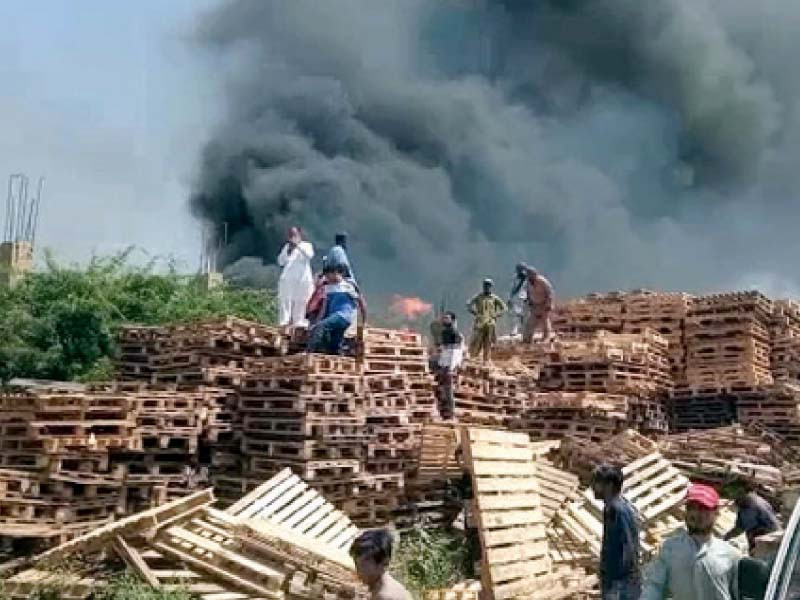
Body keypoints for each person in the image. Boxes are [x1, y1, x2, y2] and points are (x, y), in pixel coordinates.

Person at [641, 484, 741, 600]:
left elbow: (738, 594)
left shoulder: (730, 555)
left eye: (703, 508)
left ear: (716, 512)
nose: (696, 514)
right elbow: (655, 586)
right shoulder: (671, 548)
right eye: (691, 508)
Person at [592, 464, 641, 600]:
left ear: (609, 485)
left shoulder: (616, 509)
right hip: (620, 582)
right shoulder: (618, 506)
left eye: (596, 483)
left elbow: (628, 547)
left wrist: (617, 584)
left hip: (621, 584)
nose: (593, 487)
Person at [308, 264, 366, 355]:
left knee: (321, 327)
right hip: (335, 318)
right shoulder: (327, 287)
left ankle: (309, 352)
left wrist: (363, 320)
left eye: (328, 275)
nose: (327, 278)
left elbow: (361, 302)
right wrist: (317, 321)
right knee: (333, 346)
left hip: (342, 316)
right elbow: (324, 307)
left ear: (336, 273)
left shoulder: (348, 286)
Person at [350, 529, 412, 600]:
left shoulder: (384, 595)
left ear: (383, 562)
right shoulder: (389, 586)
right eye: (356, 565)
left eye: (364, 566)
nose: (359, 572)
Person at [276, 226, 315, 327]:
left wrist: (297, 245)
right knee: (285, 300)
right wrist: (289, 250)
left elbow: (309, 255)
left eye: (294, 234)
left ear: (299, 235)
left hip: (303, 280)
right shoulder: (287, 247)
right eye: (290, 235)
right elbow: (280, 261)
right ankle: (284, 322)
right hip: (288, 279)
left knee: (301, 301)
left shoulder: (306, 245)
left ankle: (298, 323)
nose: (292, 237)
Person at [724, 485, 780, 553]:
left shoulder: (752, 505)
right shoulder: (745, 503)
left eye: (734, 496)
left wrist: (725, 539)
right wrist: (725, 538)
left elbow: (743, 527)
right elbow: (739, 526)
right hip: (760, 540)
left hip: (767, 542)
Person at [467, 279, 507, 363]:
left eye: (488, 285)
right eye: (485, 285)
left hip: (490, 322)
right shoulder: (478, 296)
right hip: (480, 322)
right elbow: (469, 305)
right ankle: (473, 357)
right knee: (477, 340)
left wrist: (496, 315)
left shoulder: (494, 298)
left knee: (488, 342)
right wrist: (475, 313)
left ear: (491, 287)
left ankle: (486, 359)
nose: (486, 287)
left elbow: (504, 308)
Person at [435, 311, 464, 421]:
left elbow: (456, 352)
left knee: (448, 391)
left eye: (447, 318)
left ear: (452, 320)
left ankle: (451, 414)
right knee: (441, 390)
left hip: (449, 368)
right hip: (444, 366)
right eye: (444, 318)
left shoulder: (455, 333)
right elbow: (444, 351)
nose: (444, 320)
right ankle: (444, 413)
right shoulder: (444, 332)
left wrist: (451, 368)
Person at [524, 266, 555, 342]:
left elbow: (550, 293)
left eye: (529, 275)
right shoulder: (528, 283)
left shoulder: (542, 281)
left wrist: (549, 304)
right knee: (531, 322)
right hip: (535, 304)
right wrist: (529, 300)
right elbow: (528, 292)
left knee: (545, 321)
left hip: (544, 303)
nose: (528, 277)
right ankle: (527, 338)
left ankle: (546, 337)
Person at [509, 263, 529, 337]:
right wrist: (510, 298)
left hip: (525, 298)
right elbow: (512, 288)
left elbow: (529, 288)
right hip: (516, 298)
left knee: (524, 315)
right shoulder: (515, 277)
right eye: (518, 269)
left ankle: (524, 330)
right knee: (516, 314)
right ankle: (515, 330)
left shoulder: (528, 278)